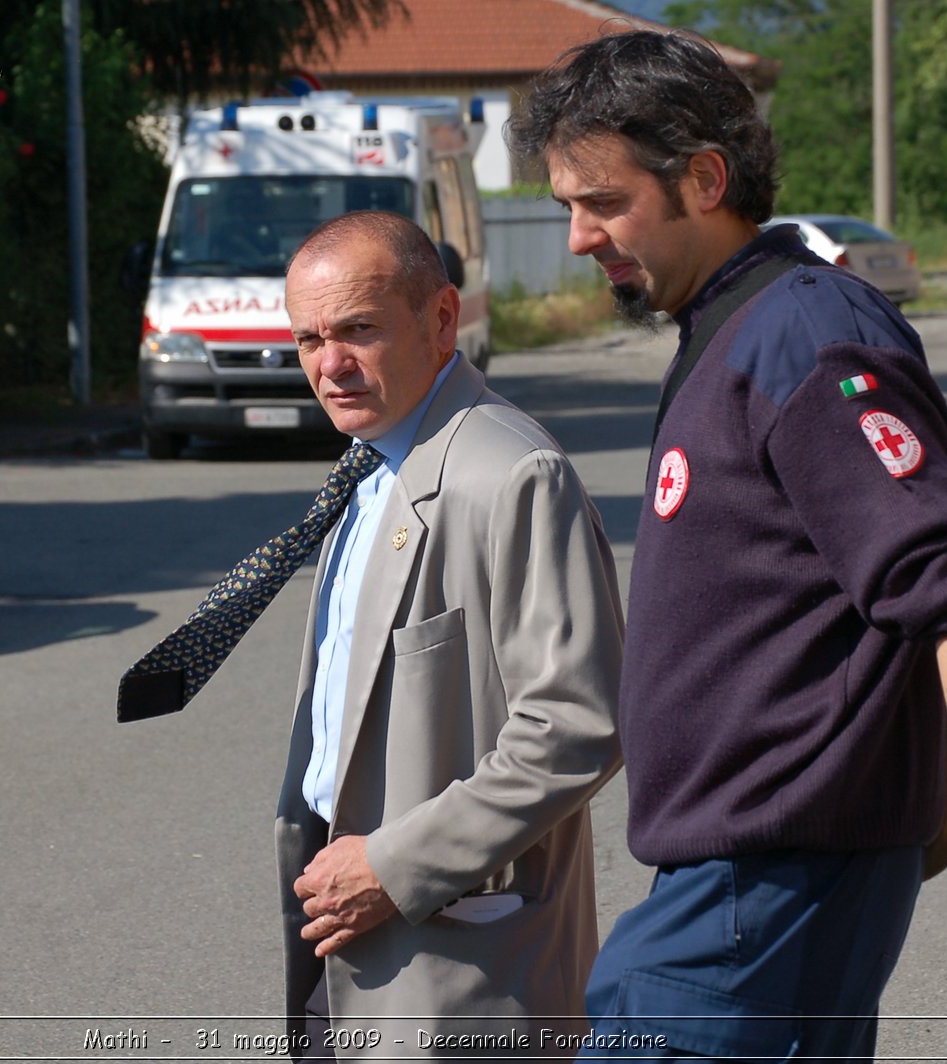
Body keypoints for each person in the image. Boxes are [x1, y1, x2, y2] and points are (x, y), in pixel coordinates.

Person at [506, 29, 947, 1064]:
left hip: (756, 906)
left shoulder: (803, 335)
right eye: (568, 204)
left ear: (703, 178)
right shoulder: (731, 326)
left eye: (602, 201)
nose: (578, 237)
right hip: (736, 896)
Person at [278, 210, 623, 1058]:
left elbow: (577, 728)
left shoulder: (509, 473)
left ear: (441, 320)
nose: (330, 365)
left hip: (453, 950)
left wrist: (394, 868)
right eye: (308, 339)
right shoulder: (373, 461)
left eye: (359, 329)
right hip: (340, 918)